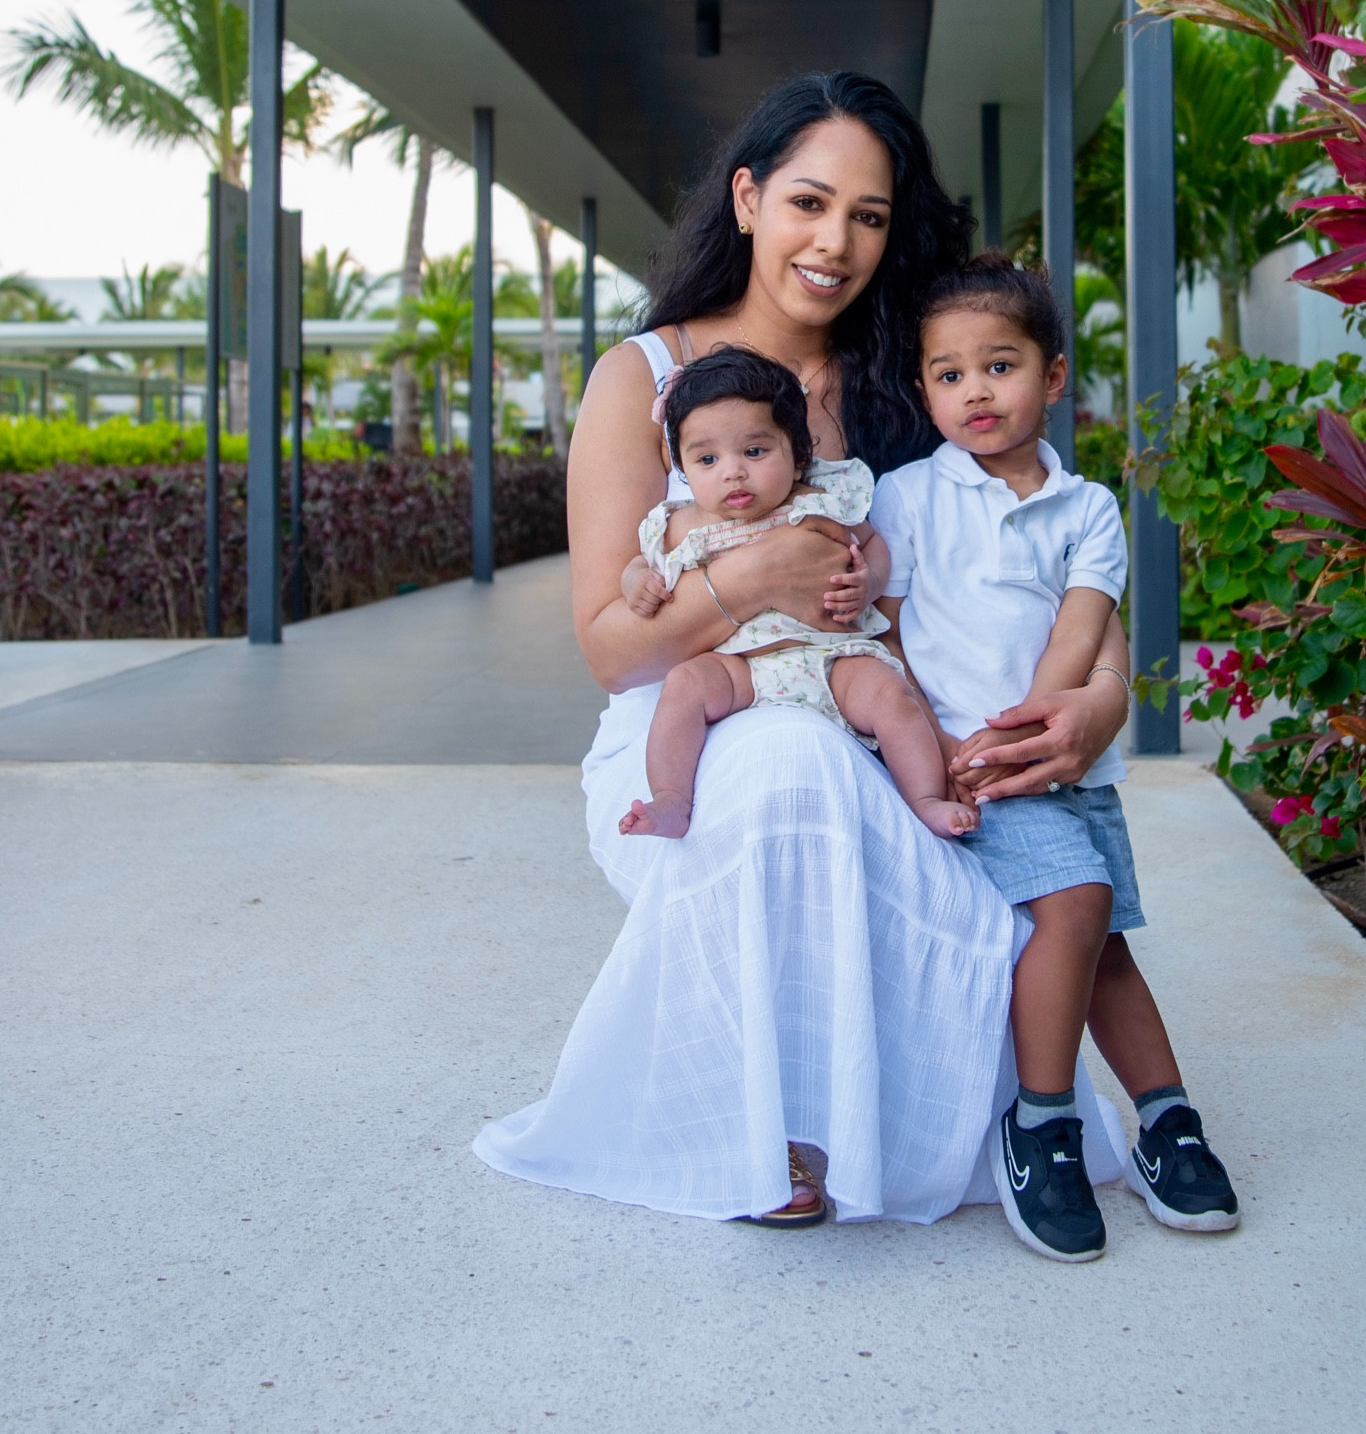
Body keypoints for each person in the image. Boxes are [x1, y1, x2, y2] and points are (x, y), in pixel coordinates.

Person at [473, 74, 1132, 1229]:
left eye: (867, 216)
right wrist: (753, 577)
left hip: (885, 727)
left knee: (888, 784)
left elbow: (1043, 544)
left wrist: (1105, 693)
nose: (834, 243)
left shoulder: (916, 374)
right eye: (808, 203)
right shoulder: (644, 379)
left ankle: (960, 1112)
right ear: (747, 197)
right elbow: (611, 651)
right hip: (694, 731)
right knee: (787, 756)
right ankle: (761, 1122)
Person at [871, 253, 1241, 1263]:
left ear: (1054, 374)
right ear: (923, 391)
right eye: (948, 374)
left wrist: (1041, 732)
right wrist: (942, 747)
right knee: (1076, 905)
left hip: (1066, 765)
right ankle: (1039, 1125)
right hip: (973, 770)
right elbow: (885, 634)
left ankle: (1166, 1120)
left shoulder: (1087, 509)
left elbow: (1079, 633)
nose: (975, 391)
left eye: (1000, 365)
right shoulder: (907, 496)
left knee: (1104, 943)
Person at [616, 345, 971, 842]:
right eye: (707, 459)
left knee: (892, 695)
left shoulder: (821, 500)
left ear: (799, 455)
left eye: (754, 452)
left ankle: (926, 798)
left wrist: (868, 583)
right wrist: (636, 582)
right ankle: (673, 799)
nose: (732, 472)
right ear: (682, 466)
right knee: (683, 685)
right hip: (741, 668)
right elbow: (640, 563)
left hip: (832, 658)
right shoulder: (678, 526)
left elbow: (873, 544)